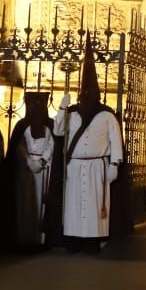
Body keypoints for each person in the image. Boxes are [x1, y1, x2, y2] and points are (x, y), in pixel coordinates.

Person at [54, 43, 124, 253]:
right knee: (74, 204)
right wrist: (61, 108)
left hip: (97, 167)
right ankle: (73, 240)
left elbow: (116, 140)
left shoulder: (107, 115)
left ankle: (93, 241)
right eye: (83, 93)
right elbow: (58, 132)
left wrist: (114, 163)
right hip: (75, 167)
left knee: (95, 205)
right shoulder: (72, 113)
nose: (86, 97)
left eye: (90, 93)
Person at [6, 92, 54, 247]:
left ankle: (39, 239)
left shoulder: (50, 126)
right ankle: (24, 238)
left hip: (43, 170)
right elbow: (18, 147)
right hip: (25, 172)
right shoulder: (21, 126)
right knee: (25, 203)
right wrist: (28, 160)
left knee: (41, 204)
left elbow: (53, 145)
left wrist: (42, 160)